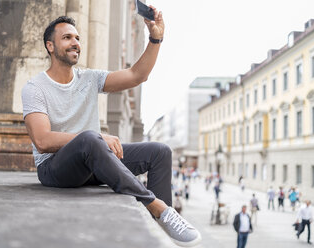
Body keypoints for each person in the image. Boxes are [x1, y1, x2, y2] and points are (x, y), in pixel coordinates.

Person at [21, 11, 201, 247]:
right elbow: (43, 140)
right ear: (50, 46)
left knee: (160, 151)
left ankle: (157, 229)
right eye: (67, 38)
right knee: (90, 139)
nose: (75, 42)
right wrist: (95, 138)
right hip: (55, 168)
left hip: (93, 161)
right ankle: (158, 207)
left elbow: (137, 75)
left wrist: (155, 39)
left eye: (77, 38)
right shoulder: (35, 87)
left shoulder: (88, 78)